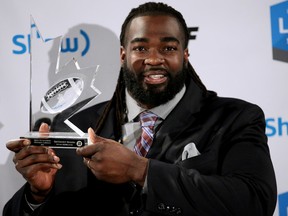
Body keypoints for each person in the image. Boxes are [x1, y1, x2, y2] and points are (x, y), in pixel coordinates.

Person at [3, 2, 277, 216]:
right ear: (124, 54)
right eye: (141, 48)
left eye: (168, 47)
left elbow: (255, 202)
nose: (154, 59)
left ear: (185, 55)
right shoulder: (74, 123)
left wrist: (141, 170)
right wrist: (37, 196)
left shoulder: (235, 118)